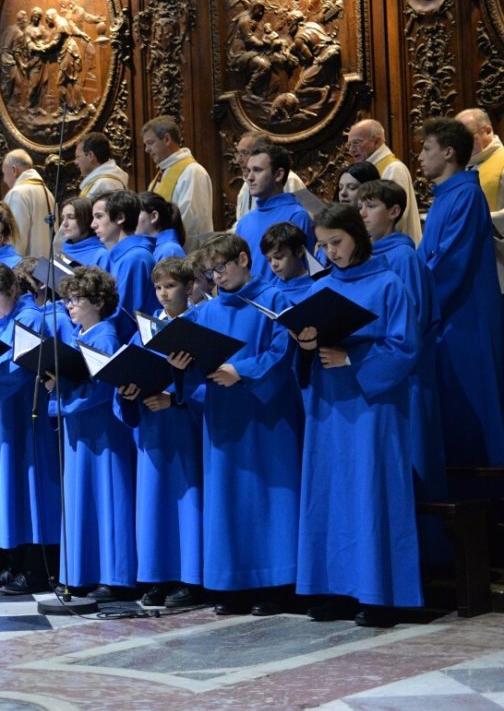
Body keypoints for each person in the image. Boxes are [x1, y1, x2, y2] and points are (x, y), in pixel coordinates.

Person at [290, 204, 421, 627]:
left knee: (369, 490)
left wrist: (352, 359)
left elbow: (404, 348)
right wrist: (306, 347)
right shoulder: (318, 289)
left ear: (358, 237)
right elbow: (301, 355)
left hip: (371, 407)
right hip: (328, 406)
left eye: (337, 242)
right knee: (331, 493)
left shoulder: (388, 284)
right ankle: (338, 590)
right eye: (323, 245)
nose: (330, 252)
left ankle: (380, 595)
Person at [169, 233, 302, 616]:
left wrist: (240, 371)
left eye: (221, 268)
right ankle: (234, 584)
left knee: (268, 495)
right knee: (227, 499)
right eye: (209, 273)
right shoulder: (206, 312)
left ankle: (277, 585)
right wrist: (181, 366)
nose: (216, 278)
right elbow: (190, 359)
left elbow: (281, 353)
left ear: (244, 259)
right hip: (223, 416)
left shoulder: (274, 300)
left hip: (266, 417)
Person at [415, 117, 504, 466]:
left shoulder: (466, 193)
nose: (420, 157)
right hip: (447, 316)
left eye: (427, 149)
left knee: (475, 402)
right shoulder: (445, 195)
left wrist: (414, 295)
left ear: (449, 153)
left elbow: (451, 262)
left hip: (466, 317)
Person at [0, 263, 59, 595]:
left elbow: (24, 367)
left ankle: (36, 569)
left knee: (27, 487)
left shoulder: (31, 318)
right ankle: (11, 563)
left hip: (23, 411)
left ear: (11, 293)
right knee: (5, 489)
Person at [117, 257, 204, 608]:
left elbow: (209, 377)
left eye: (170, 286)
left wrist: (176, 397)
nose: (164, 293)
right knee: (154, 504)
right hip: (151, 425)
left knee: (187, 501)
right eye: (158, 287)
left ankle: (191, 579)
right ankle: (156, 576)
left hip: (184, 425)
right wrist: (127, 393)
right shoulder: (146, 328)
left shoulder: (199, 323)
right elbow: (133, 365)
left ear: (188, 287)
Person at [50, 266, 138, 601]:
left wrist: (61, 403)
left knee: (107, 497)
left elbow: (101, 390)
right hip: (81, 429)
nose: (69, 306)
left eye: (77, 300)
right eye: (68, 300)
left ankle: (115, 576)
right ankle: (82, 572)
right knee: (82, 498)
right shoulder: (82, 335)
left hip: (102, 430)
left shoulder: (105, 335)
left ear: (99, 301)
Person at [358, 179, 446, 503]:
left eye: (371, 206)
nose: (362, 213)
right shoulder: (368, 257)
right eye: (360, 206)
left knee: (412, 457)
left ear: (394, 211)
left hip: (406, 377)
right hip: (381, 374)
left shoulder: (403, 257)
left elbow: (413, 321)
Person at [234, 142, 314, 282]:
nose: (249, 177)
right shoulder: (244, 222)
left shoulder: (297, 216)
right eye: (249, 170)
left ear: (278, 174)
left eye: (257, 170)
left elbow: (305, 271)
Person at [91, 190, 157, 345]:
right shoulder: (120, 255)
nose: (93, 224)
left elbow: (124, 315)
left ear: (120, 218)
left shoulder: (135, 257)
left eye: (99, 216)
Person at [345, 119, 421, 242]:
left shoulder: (393, 168)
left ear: (376, 142)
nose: (351, 150)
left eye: (356, 143)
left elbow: (397, 219)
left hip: (394, 248)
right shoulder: (370, 167)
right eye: (349, 145)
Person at [141, 116, 213, 246]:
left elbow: (191, 222)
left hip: (184, 253)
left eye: (150, 143)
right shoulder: (161, 173)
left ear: (167, 139)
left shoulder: (192, 172)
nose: (147, 150)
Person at [455, 108, 504, 292]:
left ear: (488, 130)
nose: (463, 144)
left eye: (468, 135)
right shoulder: (462, 167)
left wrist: (483, 220)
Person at [232, 131, 306, 224]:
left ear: (261, 153)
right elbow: (241, 221)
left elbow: (314, 214)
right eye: (238, 153)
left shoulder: (291, 180)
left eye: (244, 153)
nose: (238, 160)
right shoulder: (246, 184)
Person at [2, 149, 56, 259]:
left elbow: (15, 242)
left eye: (4, 174)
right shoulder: (48, 193)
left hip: (26, 271)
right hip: (47, 269)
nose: (4, 180)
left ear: (14, 170)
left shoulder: (17, 194)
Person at [260, 222, 314, 304]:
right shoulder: (269, 288)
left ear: (299, 251)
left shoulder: (317, 287)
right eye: (269, 259)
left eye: (279, 257)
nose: (274, 264)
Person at [75, 131, 128, 199]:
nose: (75, 162)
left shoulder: (104, 184)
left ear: (90, 156)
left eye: (77, 157)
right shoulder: (100, 181)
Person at [136, 192, 186, 263]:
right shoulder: (160, 248)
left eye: (136, 213)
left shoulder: (168, 251)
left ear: (154, 216)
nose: (132, 219)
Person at [59, 197, 105, 268]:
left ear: (87, 219)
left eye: (71, 217)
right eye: (63, 218)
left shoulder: (101, 255)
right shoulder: (66, 249)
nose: (64, 223)